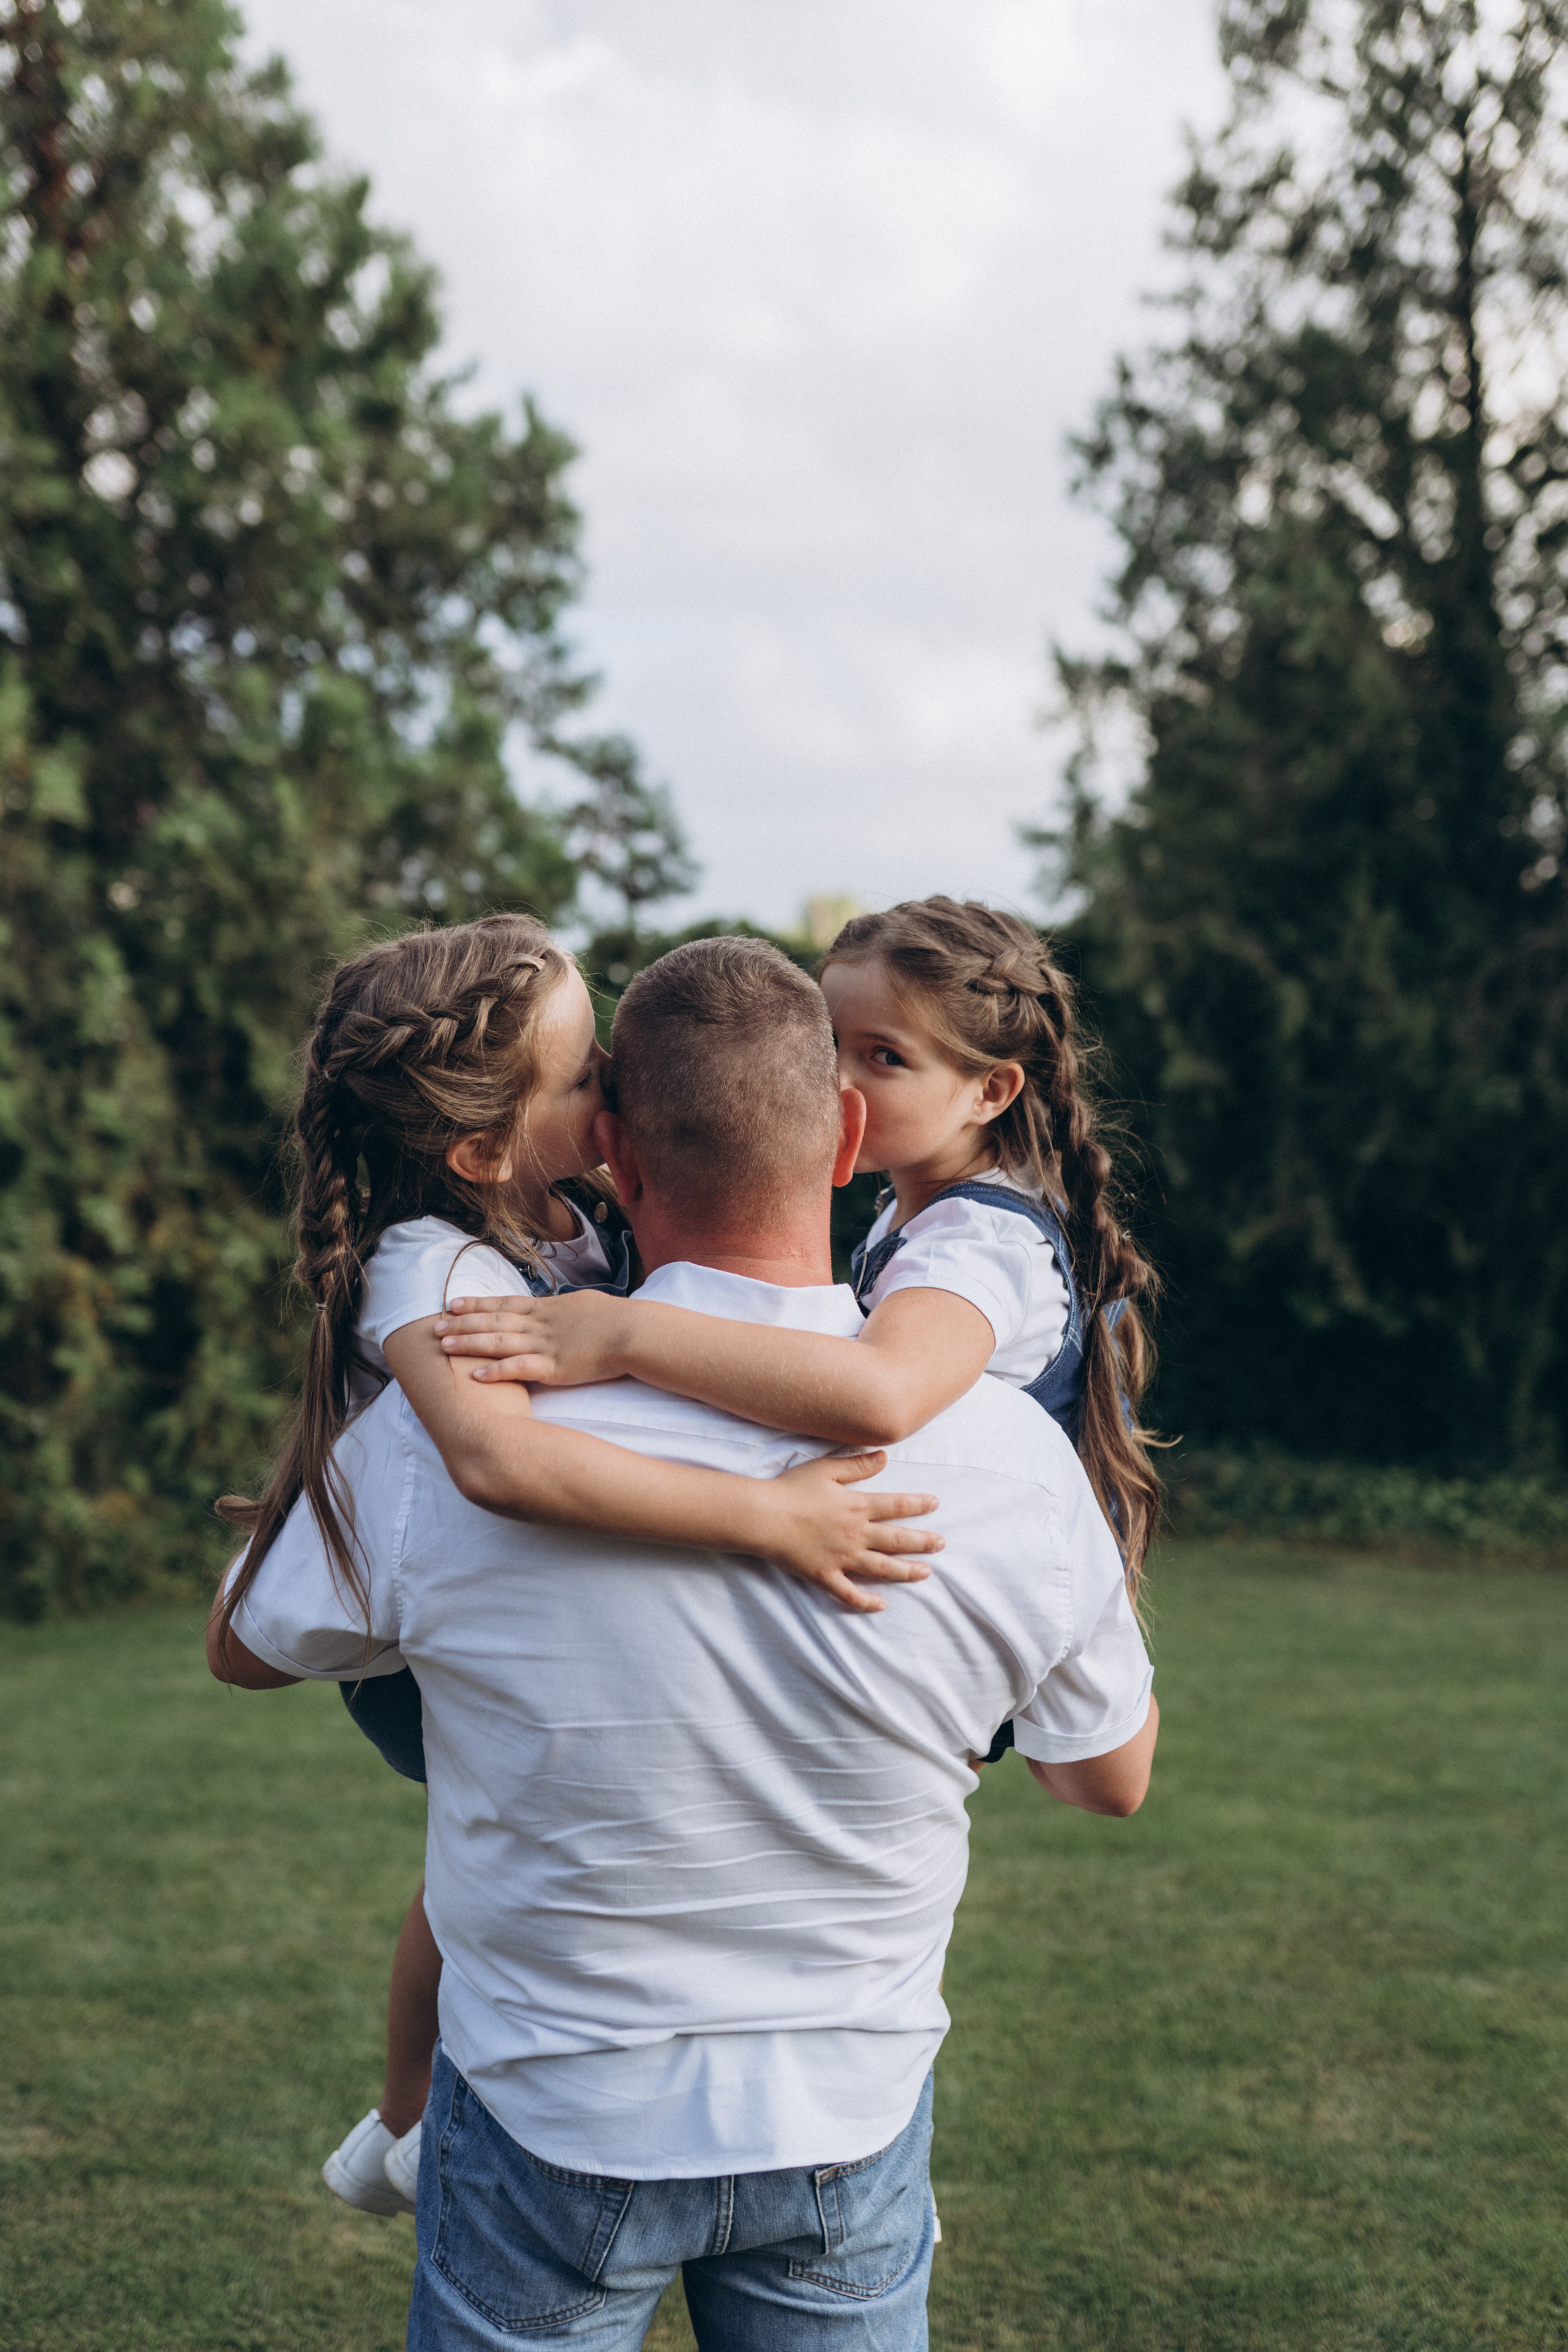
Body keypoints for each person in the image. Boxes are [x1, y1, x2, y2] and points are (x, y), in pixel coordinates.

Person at [211, 935, 1158, 2352]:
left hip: (551, 2107)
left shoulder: (449, 1401)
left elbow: (247, 1643)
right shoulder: (1006, 1458)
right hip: (846, 2110)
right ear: (843, 1134)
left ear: (609, 1141)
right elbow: (1105, 1777)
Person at [211, 915, 942, 2218]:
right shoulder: (427, 1266)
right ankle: (403, 2126)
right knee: (476, 1880)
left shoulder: (562, 1224)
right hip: (398, 1674)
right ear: (480, 1146)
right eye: (583, 1071)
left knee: (512, 1866)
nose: (613, 1082)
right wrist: (767, 1518)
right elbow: (502, 1468)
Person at [435, 896, 1160, 1680]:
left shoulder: (981, 1246)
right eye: (830, 1043)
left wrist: (620, 1335)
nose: (833, 1076)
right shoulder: (921, 1213)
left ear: (992, 1091)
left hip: (993, 1590)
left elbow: (881, 1394)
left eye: (884, 1056)